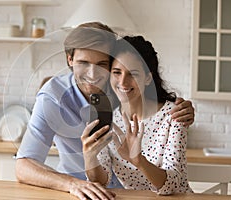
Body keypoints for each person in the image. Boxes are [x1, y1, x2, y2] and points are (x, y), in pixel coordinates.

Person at [16, 22, 195, 200]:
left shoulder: (120, 89)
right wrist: (72, 184)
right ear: (70, 60)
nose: (93, 75)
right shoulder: (53, 97)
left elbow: (151, 103)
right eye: (83, 62)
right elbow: (24, 166)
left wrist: (180, 109)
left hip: (136, 193)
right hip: (82, 191)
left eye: (102, 63)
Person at [81, 35, 193, 195]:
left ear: (148, 78)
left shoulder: (173, 115)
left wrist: (138, 160)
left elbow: (173, 185)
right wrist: (89, 157)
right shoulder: (108, 119)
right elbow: (101, 181)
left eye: (132, 74)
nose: (123, 82)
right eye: (117, 72)